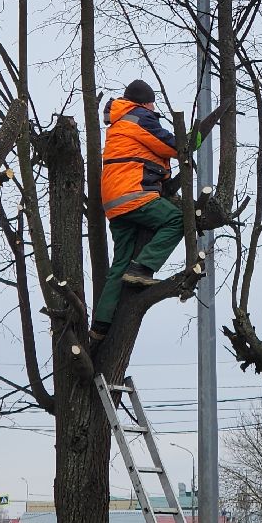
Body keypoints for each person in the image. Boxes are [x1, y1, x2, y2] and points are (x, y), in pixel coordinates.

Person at [89, 80, 185, 343]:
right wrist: (195, 138)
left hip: (114, 201)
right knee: (177, 220)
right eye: (153, 103)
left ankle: (99, 327)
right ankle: (143, 268)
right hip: (134, 193)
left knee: (120, 263)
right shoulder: (139, 117)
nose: (154, 108)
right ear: (145, 102)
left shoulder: (119, 123)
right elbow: (173, 146)